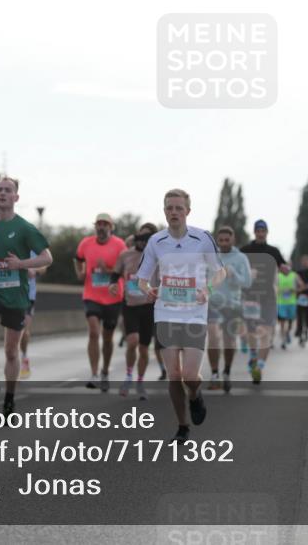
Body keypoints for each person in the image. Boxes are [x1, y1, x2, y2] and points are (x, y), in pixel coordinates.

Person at [136, 189, 225, 443]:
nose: (174, 212)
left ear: (187, 210)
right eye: (169, 208)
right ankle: (182, 425)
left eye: (178, 208)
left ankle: (195, 396)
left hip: (195, 313)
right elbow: (142, 278)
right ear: (164, 211)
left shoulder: (202, 238)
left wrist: (208, 289)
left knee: (189, 375)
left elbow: (220, 272)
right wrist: (148, 290)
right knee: (174, 374)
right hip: (165, 312)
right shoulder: (156, 241)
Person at [0, 176, 52, 415]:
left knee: (10, 351)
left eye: (8, 190)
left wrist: (21, 264)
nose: (3, 193)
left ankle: (10, 396)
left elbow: (47, 257)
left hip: (16, 296)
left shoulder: (25, 228)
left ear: (16, 197)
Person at [74, 213, 127, 391]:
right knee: (94, 332)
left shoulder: (120, 245)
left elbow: (126, 268)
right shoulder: (86, 243)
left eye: (105, 224)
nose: (101, 227)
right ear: (95, 226)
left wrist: (108, 269)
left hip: (113, 296)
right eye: (99, 224)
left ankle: (105, 370)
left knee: (107, 338)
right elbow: (78, 258)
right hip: (92, 295)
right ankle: (94, 373)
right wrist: (80, 273)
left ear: (111, 227)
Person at [109, 223, 159, 400]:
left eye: (148, 238)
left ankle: (140, 381)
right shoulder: (126, 254)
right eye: (141, 237)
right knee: (132, 342)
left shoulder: (157, 257)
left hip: (149, 307)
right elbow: (115, 275)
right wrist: (113, 284)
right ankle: (128, 376)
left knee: (144, 349)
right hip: (130, 306)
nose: (144, 241)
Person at [206, 226, 252, 393]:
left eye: (227, 240)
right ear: (217, 241)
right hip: (213, 303)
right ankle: (214, 374)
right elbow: (203, 277)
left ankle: (226, 371)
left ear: (233, 240)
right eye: (221, 240)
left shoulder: (240, 258)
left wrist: (233, 274)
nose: (224, 243)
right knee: (213, 335)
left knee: (229, 341)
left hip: (232, 304)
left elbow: (247, 282)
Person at [240, 219, 284, 384]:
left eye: (263, 230)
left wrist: (286, 269)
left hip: (269, 298)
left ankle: (259, 366)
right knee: (252, 332)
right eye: (258, 230)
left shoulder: (274, 251)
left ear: (266, 232)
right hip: (250, 297)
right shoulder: (245, 250)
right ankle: (253, 355)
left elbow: (284, 268)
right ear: (254, 232)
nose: (260, 233)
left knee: (266, 332)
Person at [19, 250, 47, 378]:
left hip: (28, 297)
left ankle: (24, 357)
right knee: (12, 330)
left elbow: (44, 265)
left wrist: (34, 270)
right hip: (11, 293)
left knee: (24, 331)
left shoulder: (32, 247)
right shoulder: (11, 243)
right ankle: (14, 359)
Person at [275, 262, 302, 350]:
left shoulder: (294, 275)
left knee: (290, 322)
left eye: (287, 267)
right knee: (283, 322)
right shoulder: (278, 276)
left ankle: (287, 333)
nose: (285, 269)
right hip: (281, 303)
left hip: (292, 303)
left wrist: (295, 290)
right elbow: (273, 287)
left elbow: (302, 286)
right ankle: (283, 341)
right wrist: (277, 290)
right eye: (284, 267)